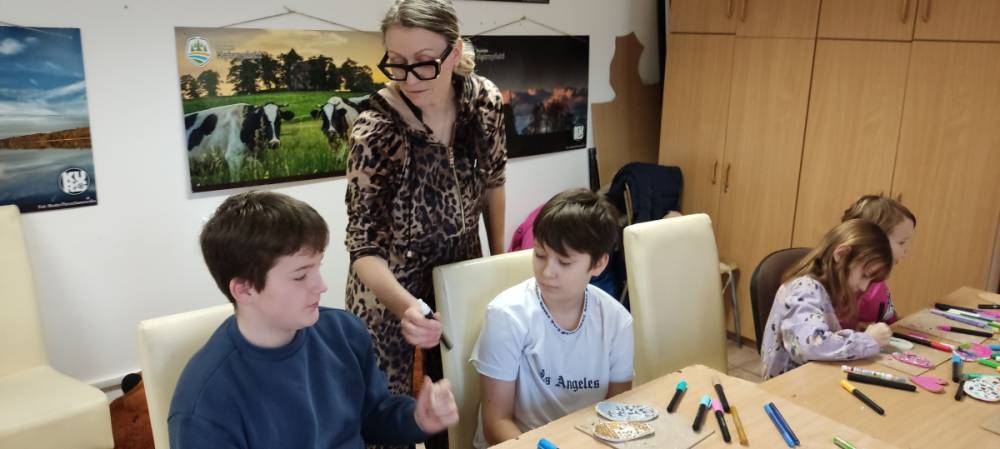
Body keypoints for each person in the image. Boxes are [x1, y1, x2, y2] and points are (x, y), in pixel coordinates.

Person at [169, 191, 458, 449]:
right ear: (244, 289)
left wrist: (416, 418)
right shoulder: (204, 403)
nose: (321, 285)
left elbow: (372, 414)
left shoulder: (344, 333)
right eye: (300, 276)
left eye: (318, 267)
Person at [344, 1, 506, 447]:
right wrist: (406, 308)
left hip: (459, 280)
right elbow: (363, 249)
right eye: (396, 63)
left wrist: (498, 266)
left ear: (454, 53)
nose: (410, 78)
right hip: (388, 297)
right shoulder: (375, 131)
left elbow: (494, 182)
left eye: (424, 62)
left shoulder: (484, 103)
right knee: (387, 421)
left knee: (456, 410)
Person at [471, 189, 634, 448]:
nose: (547, 272)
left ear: (599, 264)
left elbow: (616, 409)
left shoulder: (616, 321)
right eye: (540, 255)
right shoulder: (507, 316)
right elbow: (496, 423)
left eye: (564, 262)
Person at [760, 219, 895, 379]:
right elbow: (812, 345)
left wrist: (855, 333)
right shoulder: (805, 288)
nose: (864, 287)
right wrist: (867, 340)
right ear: (841, 255)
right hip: (787, 386)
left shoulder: (825, 289)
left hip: (810, 378)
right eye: (865, 275)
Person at [838, 195, 917, 330]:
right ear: (874, 240)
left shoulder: (878, 281)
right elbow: (830, 332)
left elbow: (887, 316)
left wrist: (900, 323)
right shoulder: (848, 284)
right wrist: (858, 329)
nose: (906, 249)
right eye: (901, 242)